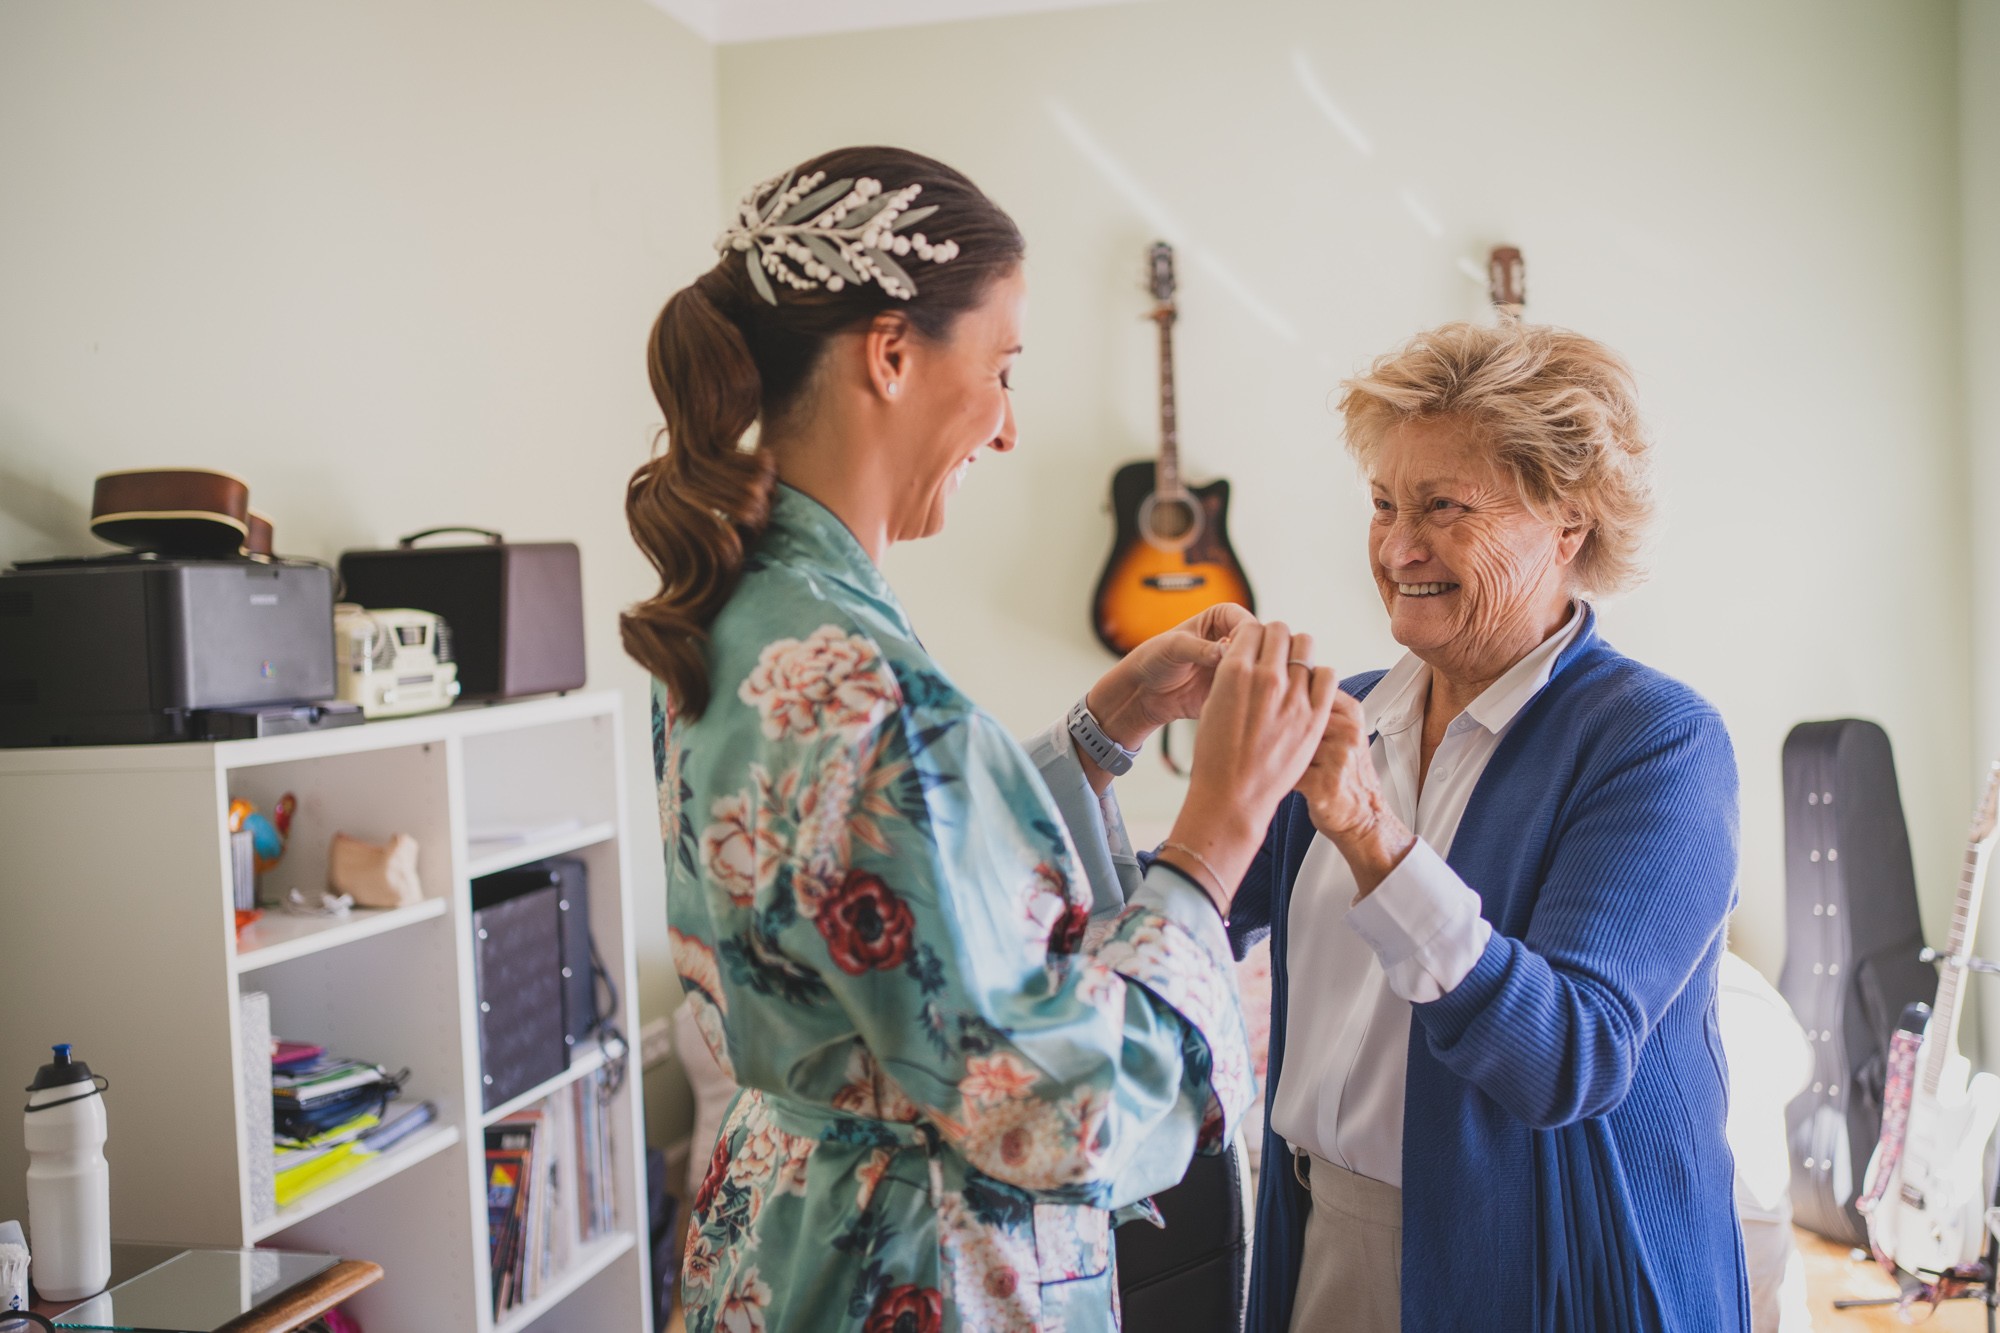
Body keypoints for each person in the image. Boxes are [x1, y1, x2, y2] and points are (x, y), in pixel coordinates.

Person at [625, 145, 1337, 1333]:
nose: (1007, 430)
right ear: (891, 352)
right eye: (1001, 368)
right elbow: (1070, 1113)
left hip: (777, 1238)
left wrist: (1101, 731)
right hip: (911, 1271)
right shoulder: (881, 692)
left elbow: (902, 899)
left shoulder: (740, 610)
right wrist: (1217, 829)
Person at [1232, 320, 1749, 1332]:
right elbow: (1178, 908)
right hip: (1321, 1241)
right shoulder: (1349, 711)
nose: (1394, 547)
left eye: (1442, 508)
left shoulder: (1657, 743)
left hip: (1554, 1267)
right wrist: (1113, 729)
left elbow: (1567, 1056)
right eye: (1381, 505)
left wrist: (1371, 835)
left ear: (1567, 522)